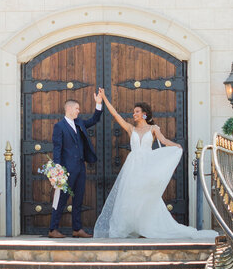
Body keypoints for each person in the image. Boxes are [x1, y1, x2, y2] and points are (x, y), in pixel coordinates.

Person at [94, 93, 217, 240]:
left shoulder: (153, 128)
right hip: (132, 167)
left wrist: (177, 146)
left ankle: (146, 226)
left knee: (146, 196)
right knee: (129, 197)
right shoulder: (130, 129)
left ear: (144, 114)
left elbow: (163, 140)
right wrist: (104, 99)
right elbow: (115, 115)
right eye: (134, 112)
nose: (134, 114)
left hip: (147, 165)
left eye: (137, 111)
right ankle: (129, 227)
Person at [47, 89, 104, 238]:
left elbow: (93, 120)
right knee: (62, 199)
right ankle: (53, 229)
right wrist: (58, 170)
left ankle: (77, 229)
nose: (79, 111)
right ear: (70, 109)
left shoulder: (79, 123)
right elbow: (57, 149)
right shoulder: (59, 127)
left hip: (80, 168)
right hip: (66, 170)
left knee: (78, 198)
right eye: (77, 108)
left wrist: (98, 104)